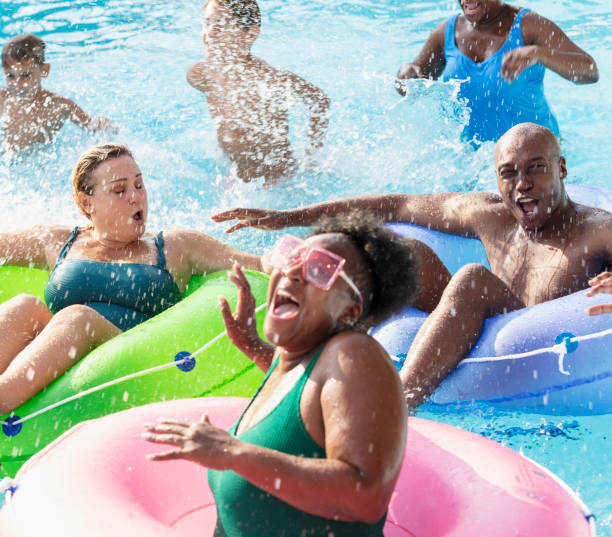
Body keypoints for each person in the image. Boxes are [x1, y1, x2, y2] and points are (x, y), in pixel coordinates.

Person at [211, 122, 612, 407]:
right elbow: (395, 205)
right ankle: (311, 364)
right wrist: (286, 217)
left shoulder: (597, 230)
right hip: (481, 321)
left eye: (536, 168)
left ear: (561, 168)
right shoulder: (491, 215)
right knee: (404, 254)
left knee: (470, 279)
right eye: (508, 173)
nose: (521, 183)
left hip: (546, 348)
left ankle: (399, 405)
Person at [143, 212, 415, 536]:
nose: (294, 271)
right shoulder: (291, 362)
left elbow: (364, 498)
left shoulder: (353, 353)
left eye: (319, 269)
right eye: (293, 256)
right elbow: (304, 407)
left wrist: (233, 452)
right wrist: (251, 344)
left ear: (350, 309)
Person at [0, 142, 261, 415]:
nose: (136, 197)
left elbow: (259, 266)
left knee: (78, 317)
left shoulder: (175, 246)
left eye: (139, 185)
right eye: (119, 190)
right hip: (60, 357)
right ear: (86, 202)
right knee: (24, 307)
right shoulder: (59, 240)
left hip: (131, 363)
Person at [395, 1, 598, 143]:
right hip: (472, 159)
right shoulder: (446, 32)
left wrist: (541, 54)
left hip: (532, 155)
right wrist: (406, 73)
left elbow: (589, 71)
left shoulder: (530, 26)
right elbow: (410, 87)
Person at [187, 0, 330, 184]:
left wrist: (312, 156)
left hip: (276, 181)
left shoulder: (269, 82)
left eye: (220, 25)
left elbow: (320, 100)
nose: (209, 34)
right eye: (207, 23)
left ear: (250, 34)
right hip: (234, 169)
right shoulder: (201, 74)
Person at [0, 34, 115, 152]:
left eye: (26, 75)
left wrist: (103, 125)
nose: (17, 84)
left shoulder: (60, 106)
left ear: (44, 70)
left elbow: (91, 126)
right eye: (10, 76)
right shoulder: (3, 98)